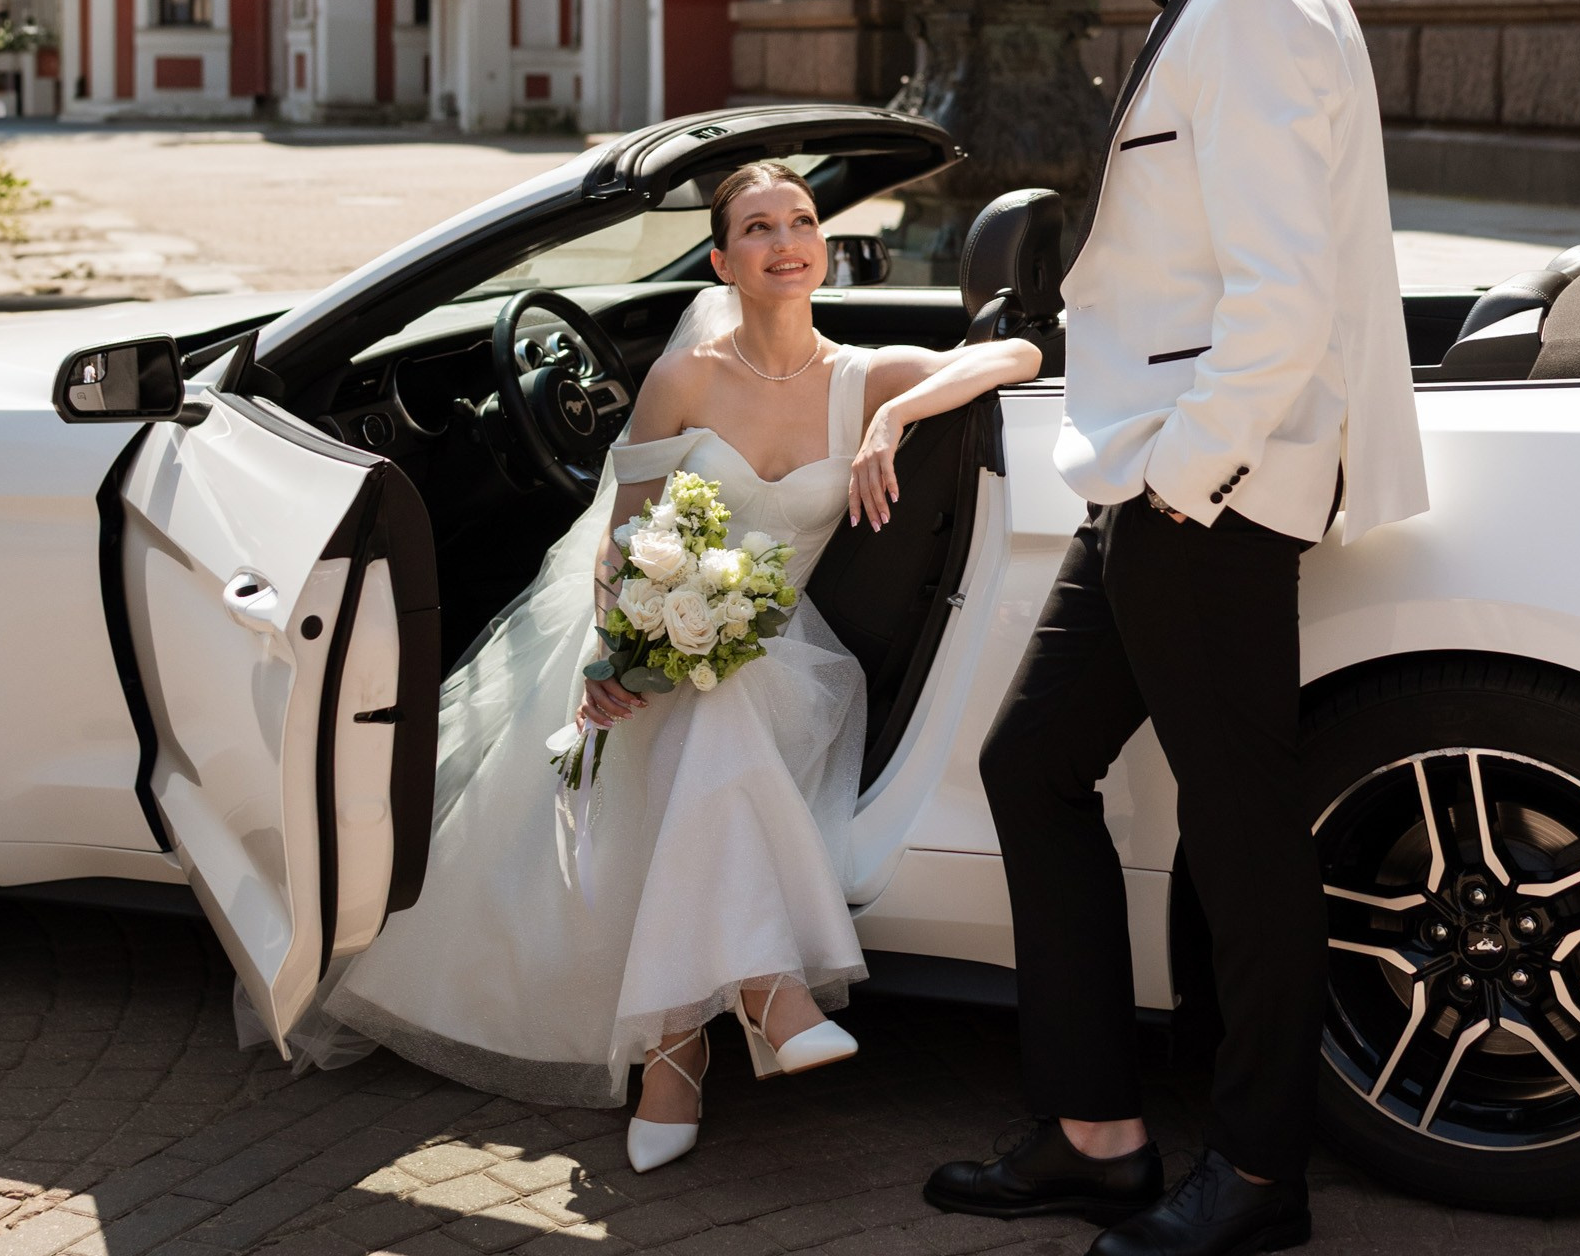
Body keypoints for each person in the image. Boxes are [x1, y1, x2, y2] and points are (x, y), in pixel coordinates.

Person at [925, 0, 1428, 1256]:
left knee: (1241, 826)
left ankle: (1260, 1167)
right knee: (1034, 766)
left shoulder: (1260, 9)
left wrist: (1177, 479)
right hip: (1161, 480)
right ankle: (1095, 1136)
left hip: (1205, 488)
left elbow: (1286, 300)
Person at [320, 159, 1041, 1172]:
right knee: (699, 707)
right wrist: (619, 652)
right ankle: (757, 996)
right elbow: (617, 543)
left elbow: (1015, 348)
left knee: (721, 700)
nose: (785, 239)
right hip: (652, 639)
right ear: (721, 259)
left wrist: (891, 416)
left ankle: (679, 1053)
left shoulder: (861, 376)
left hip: (788, 662)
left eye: (800, 220)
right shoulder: (684, 378)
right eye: (756, 227)